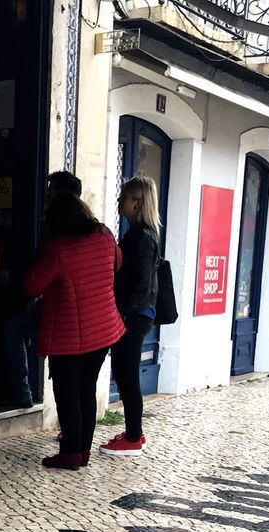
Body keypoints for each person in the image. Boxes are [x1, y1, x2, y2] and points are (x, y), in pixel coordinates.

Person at [23, 191, 125, 469]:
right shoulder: (105, 237)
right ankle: (82, 451)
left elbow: (33, 284)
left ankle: (69, 453)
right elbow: (117, 263)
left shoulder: (57, 249)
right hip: (103, 330)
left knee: (68, 394)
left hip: (69, 335)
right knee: (86, 391)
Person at [3, 171, 84, 410]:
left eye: (51, 189)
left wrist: (36, 293)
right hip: (58, 301)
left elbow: (51, 268)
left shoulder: (59, 228)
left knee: (15, 331)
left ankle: (24, 391)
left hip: (57, 304)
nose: (46, 193)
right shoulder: (86, 228)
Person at [99, 174, 162, 458]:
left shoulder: (143, 237)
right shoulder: (140, 233)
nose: (119, 200)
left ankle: (134, 438)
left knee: (128, 375)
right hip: (134, 314)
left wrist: (121, 314)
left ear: (137, 203)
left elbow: (140, 283)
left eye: (124, 196)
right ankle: (134, 432)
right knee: (125, 373)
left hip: (134, 316)